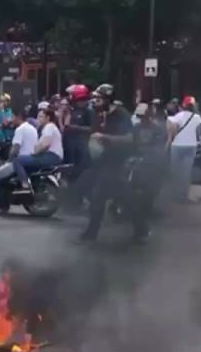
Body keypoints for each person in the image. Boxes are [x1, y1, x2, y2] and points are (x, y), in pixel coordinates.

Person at [77, 84, 145, 244]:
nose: (95, 102)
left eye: (99, 99)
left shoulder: (121, 115)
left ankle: (92, 233)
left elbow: (129, 139)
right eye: (95, 99)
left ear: (108, 99)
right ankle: (141, 229)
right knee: (109, 197)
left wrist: (105, 138)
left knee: (112, 197)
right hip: (104, 162)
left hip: (118, 163)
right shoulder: (99, 114)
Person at [0, 108, 37, 214]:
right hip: (29, 160)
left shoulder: (20, 129)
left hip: (18, 161)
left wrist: (9, 159)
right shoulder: (32, 128)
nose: (11, 119)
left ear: (18, 117)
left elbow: (16, 148)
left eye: (12, 116)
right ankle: (4, 204)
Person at [12, 107, 64, 192]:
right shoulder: (49, 128)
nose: (38, 119)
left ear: (48, 118)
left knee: (18, 160)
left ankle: (25, 185)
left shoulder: (49, 127)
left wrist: (36, 153)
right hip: (52, 157)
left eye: (41, 117)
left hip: (51, 157)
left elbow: (46, 144)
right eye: (38, 116)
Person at [166, 95, 201, 202]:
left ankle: (175, 194)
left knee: (175, 170)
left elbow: (172, 130)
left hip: (177, 145)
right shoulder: (197, 117)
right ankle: (184, 194)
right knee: (186, 172)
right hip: (191, 146)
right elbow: (199, 132)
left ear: (184, 105)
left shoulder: (178, 116)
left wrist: (170, 140)